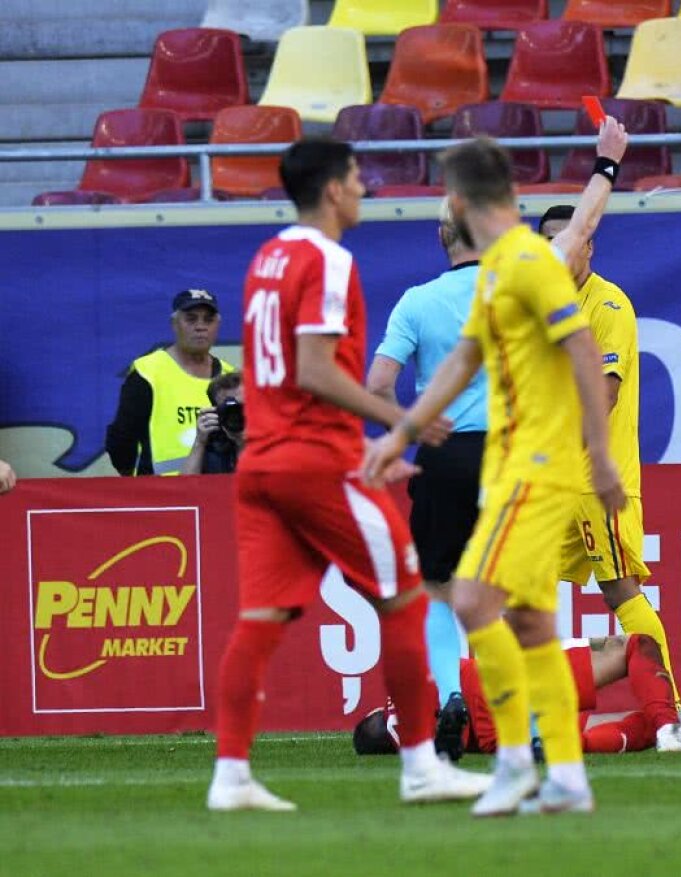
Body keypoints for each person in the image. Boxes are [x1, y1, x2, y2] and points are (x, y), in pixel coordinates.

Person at [206, 138, 490, 812]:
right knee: (408, 596)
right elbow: (312, 368)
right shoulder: (328, 260)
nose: (365, 188)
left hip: (263, 462)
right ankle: (422, 762)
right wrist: (405, 419)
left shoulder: (268, 258)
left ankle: (232, 773)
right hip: (315, 457)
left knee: (261, 616)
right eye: (359, 177)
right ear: (333, 189)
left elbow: (274, 368)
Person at [360, 125, 629, 817]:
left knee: (472, 603)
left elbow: (581, 356)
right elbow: (462, 361)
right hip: (506, 461)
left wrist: (599, 457)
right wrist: (407, 432)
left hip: (536, 464)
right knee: (531, 619)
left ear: (467, 198)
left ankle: (514, 761)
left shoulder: (528, 264)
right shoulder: (507, 268)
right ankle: (563, 773)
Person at [537, 204, 681, 752]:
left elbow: (604, 395)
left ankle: (673, 715)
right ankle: (514, 713)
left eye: (570, 239)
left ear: (589, 246)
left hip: (591, 479)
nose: (562, 249)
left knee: (622, 590)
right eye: (551, 241)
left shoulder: (607, 304)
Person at [365, 199, 485, 760]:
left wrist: (408, 429)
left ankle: (454, 695)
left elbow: (380, 380)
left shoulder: (417, 301)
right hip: (510, 452)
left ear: (442, 235)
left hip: (445, 451)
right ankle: (522, 721)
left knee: (436, 588)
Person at [353, 634, 681, 758]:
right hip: (500, 679)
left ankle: (659, 731)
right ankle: (669, 727)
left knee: (589, 734)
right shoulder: (401, 687)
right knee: (635, 644)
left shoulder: (409, 744)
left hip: (496, 737)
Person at [105, 289, 236, 476]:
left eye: (208, 320)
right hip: (161, 495)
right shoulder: (148, 372)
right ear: (174, 324)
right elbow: (121, 442)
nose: (200, 327)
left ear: (218, 324)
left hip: (215, 494)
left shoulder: (228, 377)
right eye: (191, 319)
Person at [180, 371, 245, 475]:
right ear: (217, 412)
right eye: (229, 410)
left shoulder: (274, 442)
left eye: (243, 407)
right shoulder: (215, 445)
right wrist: (200, 442)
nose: (237, 414)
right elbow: (185, 486)